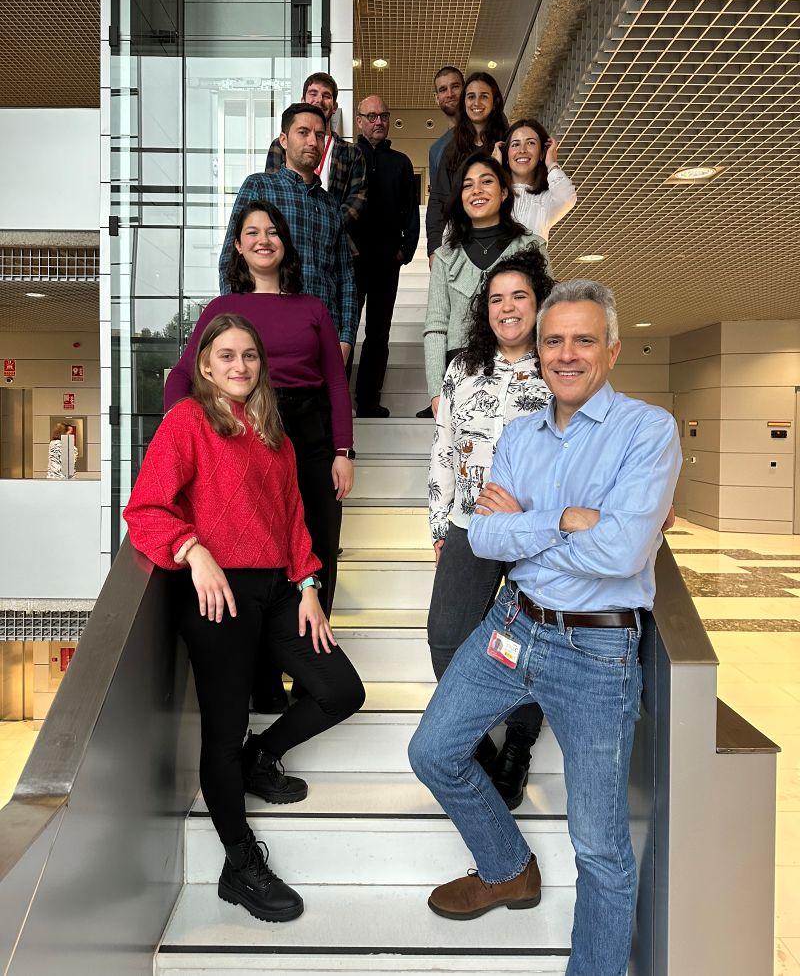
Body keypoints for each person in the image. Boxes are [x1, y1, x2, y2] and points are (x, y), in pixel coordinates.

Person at [409, 280, 682, 976]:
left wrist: (528, 522)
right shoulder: (522, 431)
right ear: (539, 350)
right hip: (513, 622)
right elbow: (490, 539)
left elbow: (621, 553)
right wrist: (565, 517)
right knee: (433, 750)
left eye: (583, 339)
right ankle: (507, 867)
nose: (566, 354)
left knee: (599, 845)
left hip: (597, 648)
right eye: (554, 340)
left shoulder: (647, 432)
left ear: (612, 350)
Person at [125, 313, 365, 924]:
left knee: (340, 689)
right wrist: (193, 549)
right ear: (205, 366)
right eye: (226, 356)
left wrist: (309, 585)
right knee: (221, 734)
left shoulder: (273, 435)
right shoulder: (187, 422)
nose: (240, 366)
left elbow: (291, 520)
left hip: (279, 590)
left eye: (250, 356)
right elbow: (146, 506)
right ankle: (238, 862)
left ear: (261, 366)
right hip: (216, 594)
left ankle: (263, 756)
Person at [165, 202, 353, 711]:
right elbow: (183, 376)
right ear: (239, 245)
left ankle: (310, 669)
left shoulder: (313, 307)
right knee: (262, 556)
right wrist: (187, 427)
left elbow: (337, 383)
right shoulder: (222, 307)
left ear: (285, 244)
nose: (264, 239)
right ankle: (265, 685)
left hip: (308, 434)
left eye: (273, 232)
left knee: (316, 549)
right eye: (252, 232)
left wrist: (343, 449)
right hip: (241, 428)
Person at [427, 251, 553, 808]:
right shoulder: (461, 368)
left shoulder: (560, 367)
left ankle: (518, 747)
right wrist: (439, 521)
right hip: (470, 525)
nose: (507, 307)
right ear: (485, 309)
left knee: (534, 639)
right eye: (497, 298)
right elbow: (445, 449)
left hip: (535, 531)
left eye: (519, 296)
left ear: (539, 304)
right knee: (446, 635)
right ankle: (475, 741)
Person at [218, 103, 357, 361]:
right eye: (303, 132)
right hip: (265, 334)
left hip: (323, 337)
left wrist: (346, 337)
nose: (312, 141)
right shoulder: (259, 187)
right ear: (284, 139)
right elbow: (230, 257)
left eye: (319, 135)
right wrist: (234, 327)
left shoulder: (331, 206)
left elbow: (345, 277)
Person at [421, 152, 548, 418]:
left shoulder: (532, 246)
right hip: (462, 373)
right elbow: (435, 327)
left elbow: (548, 317)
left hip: (522, 370)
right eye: (468, 185)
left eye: (486, 181)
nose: (476, 190)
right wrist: (436, 389)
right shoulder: (446, 256)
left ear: (503, 192)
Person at [350, 93, 420, 417]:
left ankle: (368, 400)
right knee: (345, 331)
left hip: (385, 262)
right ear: (359, 120)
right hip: (350, 261)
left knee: (379, 332)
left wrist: (404, 253)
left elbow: (411, 214)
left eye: (383, 115)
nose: (379, 121)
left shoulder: (402, 163)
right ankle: (339, 401)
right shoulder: (348, 157)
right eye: (372, 116)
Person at [264, 73, 367, 255]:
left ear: (334, 107)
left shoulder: (352, 153)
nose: (319, 100)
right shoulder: (282, 145)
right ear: (303, 99)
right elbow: (274, 191)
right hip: (289, 240)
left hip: (335, 242)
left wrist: (326, 224)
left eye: (326, 96)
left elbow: (358, 198)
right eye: (313, 93)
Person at [425, 72, 508, 260]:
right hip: (462, 239)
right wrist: (434, 248)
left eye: (484, 96)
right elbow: (438, 200)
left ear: (494, 102)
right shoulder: (447, 150)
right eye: (471, 97)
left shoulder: (508, 142)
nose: (476, 102)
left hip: (504, 235)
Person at [494, 118, 577, 243]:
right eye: (515, 144)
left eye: (531, 143)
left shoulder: (545, 200)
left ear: (542, 154)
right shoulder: (494, 195)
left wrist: (552, 164)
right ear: (506, 155)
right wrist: (493, 168)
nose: (522, 150)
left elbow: (566, 198)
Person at [428, 66, 464, 188]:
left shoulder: (486, 128)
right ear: (437, 98)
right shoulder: (436, 150)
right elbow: (438, 197)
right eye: (443, 89)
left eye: (455, 86)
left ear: (465, 90)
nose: (450, 94)